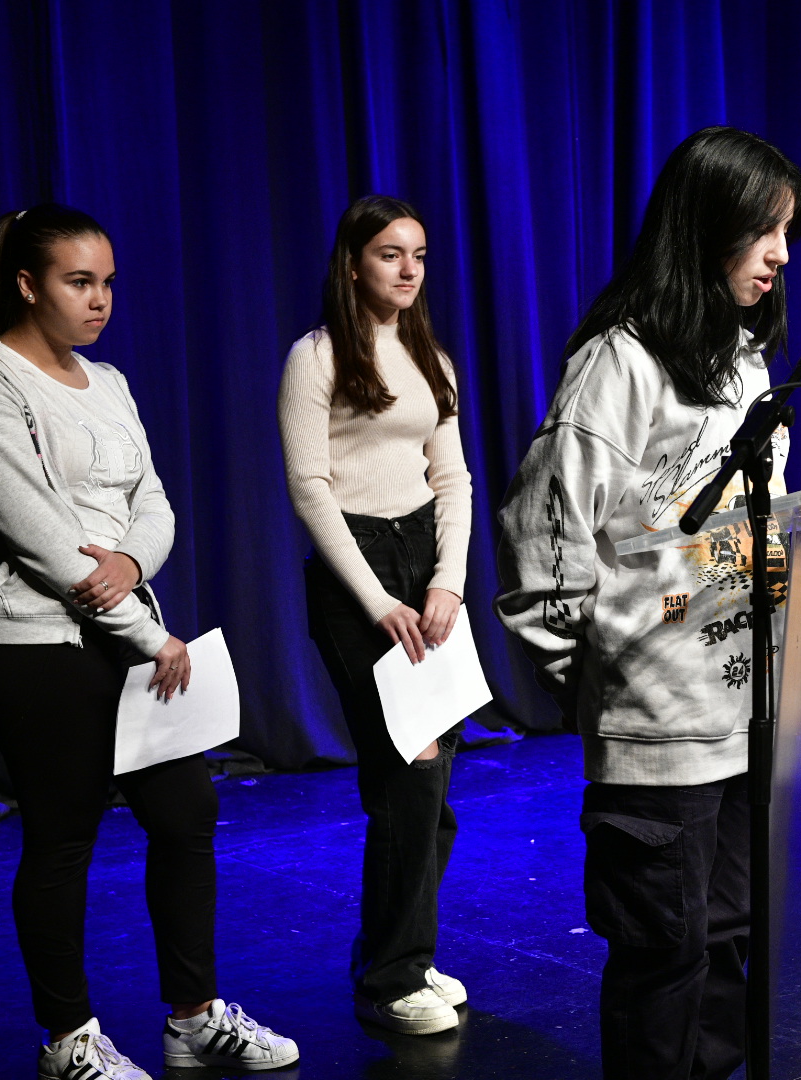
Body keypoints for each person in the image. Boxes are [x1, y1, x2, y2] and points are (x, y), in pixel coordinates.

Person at [0, 204, 297, 1078]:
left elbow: (156, 504)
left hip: (129, 633)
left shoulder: (112, 383)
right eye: (77, 282)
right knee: (64, 834)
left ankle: (194, 1016)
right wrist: (147, 632)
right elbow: (39, 534)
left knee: (187, 813)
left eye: (106, 283)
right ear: (28, 284)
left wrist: (135, 562)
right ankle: (69, 1042)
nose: (98, 301)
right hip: (29, 639)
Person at [494, 127, 801, 1080]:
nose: (782, 256)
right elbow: (546, 534)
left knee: (729, 948)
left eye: (788, 231)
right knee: (663, 957)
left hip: (745, 713)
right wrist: (594, 674)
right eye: (766, 230)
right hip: (657, 726)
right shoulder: (618, 364)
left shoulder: (748, 363)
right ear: (709, 224)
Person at [278, 195, 473, 1035]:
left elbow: (453, 480)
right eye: (390, 253)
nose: (407, 269)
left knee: (434, 784)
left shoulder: (431, 356)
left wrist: (448, 583)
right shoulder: (316, 356)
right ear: (354, 261)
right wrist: (380, 599)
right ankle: (390, 980)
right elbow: (310, 487)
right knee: (407, 774)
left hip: (427, 563)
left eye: (419, 255)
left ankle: (406, 952)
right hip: (359, 571)